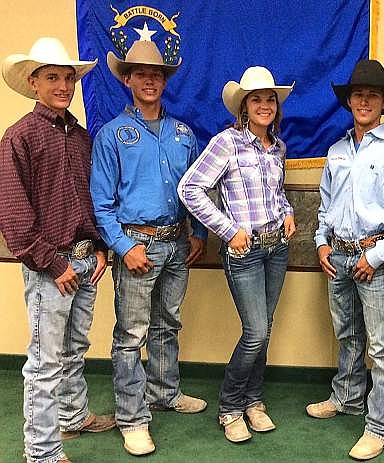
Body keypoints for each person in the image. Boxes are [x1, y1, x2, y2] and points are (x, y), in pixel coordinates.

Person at [89, 39, 208, 456]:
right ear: (126, 79)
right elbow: (101, 202)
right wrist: (122, 246)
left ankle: (164, 391)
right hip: (136, 245)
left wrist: (199, 234)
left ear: (165, 80)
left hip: (177, 243)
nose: (149, 80)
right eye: (140, 73)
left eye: (156, 73)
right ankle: (132, 417)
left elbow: (198, 190)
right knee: (130, 333)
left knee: (167, 323)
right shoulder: (111, 136)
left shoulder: (183, 134)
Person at [0, 37, 116, 463]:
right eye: (53, 77)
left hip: (86, 259)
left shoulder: (82, 139)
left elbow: (91, 199)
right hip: (51, 264)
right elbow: (13, 212)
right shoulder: (19, 137)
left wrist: (100, 248)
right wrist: (51, 263)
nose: (63, 85)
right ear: (33, 83)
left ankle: (72, 414)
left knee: (74, 347)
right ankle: (42, 451)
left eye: (68, 77)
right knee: (46, 360)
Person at [307, 59, 384, 460]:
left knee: (381, 344)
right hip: (337, 257)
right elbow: (326, 206)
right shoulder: (337, 151)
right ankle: (347, 397)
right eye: (358, 94)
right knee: (348, 335)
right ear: (349, 101)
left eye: (372, 95)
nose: (364, 101)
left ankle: (380, 425)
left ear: (383, 102)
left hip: (373, 258)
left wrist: (376, 257)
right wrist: (322, 243)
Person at [178, 66, 296, 443]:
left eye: (270, 99)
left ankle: (254, 400)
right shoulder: (226, 143)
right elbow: (190, 188)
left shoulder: (277, 147)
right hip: (244, 252)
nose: (264, 105)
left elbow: (274, 193)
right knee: (255, 331)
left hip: (276, 247)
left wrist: (289, 211)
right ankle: (230, 406)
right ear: (244, 107)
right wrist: (229, 230)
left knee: (267, 328)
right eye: (256, 99)